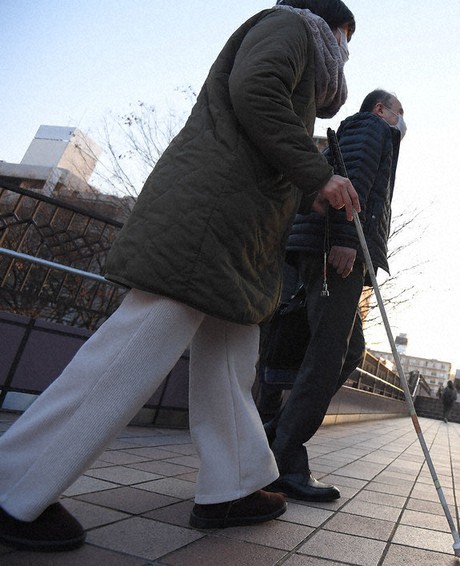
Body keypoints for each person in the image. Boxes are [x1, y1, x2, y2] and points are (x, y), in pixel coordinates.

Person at [0, 0, 359, 552]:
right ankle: (12, 483)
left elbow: (261, 122)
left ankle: (234, 484)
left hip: (232, 231)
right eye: (346, 35)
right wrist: (317, 175)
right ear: (326, 24)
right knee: (135, 347)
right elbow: (256, 91)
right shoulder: (291, 26)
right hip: (206, 221)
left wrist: (307, 188)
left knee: (230, 357)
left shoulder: (299, 44)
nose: (346, 50)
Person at [262, 89, 405, 502]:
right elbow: (352, 180)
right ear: (380, 109)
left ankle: (277, 434)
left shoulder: (369, 132)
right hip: (336, 249)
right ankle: (285, 456)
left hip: (332, 248)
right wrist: (347, 240)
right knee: (328, 353)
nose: (401, 120)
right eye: (399, 111)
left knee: (349, 351)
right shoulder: (372, 127)